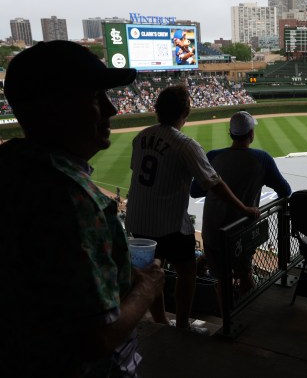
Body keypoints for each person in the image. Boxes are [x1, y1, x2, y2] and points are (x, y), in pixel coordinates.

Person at [0, 40, 165, 377]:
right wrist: (148, 287)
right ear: (54, 108)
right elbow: (95, 339)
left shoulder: (10, 166)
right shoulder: (72, 199)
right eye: (94, 97)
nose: (112, 109)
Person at [124, 86, 259, 333]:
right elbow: (214, 183)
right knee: (187, 273)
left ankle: (161, 322)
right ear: (186, 110)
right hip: (170, 223)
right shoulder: (185, 144)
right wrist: (244, 208)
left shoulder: (140, 136)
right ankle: (183, 325)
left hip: (138, 220)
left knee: (151, 274)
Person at [190, 111, 291, 309]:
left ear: (230, 133)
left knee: (221, 280)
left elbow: (195, 191)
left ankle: (226, 323)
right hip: (242, 231)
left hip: (214, 230)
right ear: (251, 134)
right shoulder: (262, 158)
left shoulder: (213, 156)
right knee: (245, 274)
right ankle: (246, 317)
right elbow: (284, 191)